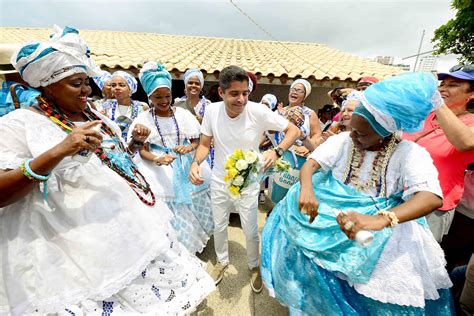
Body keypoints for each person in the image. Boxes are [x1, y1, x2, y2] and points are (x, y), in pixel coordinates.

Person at [0, 25, 214, 315]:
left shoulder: (95, 116)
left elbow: (114, 163)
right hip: (65, 249)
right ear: (47, 85)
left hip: (126, 232)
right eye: (76, 83)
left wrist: (136, 145)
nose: (87, 89)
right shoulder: (18, 124)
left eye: (87, 81)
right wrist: (58, 151)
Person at [261, 72, 453, 315]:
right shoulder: (343, 140)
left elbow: (431, 196)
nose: (353, 136)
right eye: (352, 130)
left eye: (361, 134)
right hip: (328, 214)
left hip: (379, 227)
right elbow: (311, 164)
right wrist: (306, 189)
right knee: (311, 272)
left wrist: (380, 219)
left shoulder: (410, 153)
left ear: (385, 132)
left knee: (363, 290)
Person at [188, 65, 300, 293]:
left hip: (249, 182)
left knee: (250, 229)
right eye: (234, 94)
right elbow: (204, 144)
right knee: (219, 226)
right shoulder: (212, 112)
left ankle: (253, 265)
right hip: (219, 180)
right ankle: (221, 262)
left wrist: (277, 151)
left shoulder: (258, 111)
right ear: (221, 92)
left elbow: (293, 131)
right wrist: (195, 163)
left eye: (245, 93)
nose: (241, 99)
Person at [129, 61, 214, 254]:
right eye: (157, 97)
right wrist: (156, 159)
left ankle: (193, 243)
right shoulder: (144, 119)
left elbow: (197, 141)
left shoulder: (183, 115)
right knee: (169, 208)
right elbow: (143, 150)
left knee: (192, 204)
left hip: (183, 166)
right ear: (149, 97)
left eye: (167, 96)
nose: (164, 100)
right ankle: (175, 247)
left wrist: (187, 148)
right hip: (158, 170)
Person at [404, 64, 474, 242]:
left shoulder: (471, 122)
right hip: (397, 197)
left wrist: (438, 102)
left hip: (431, 207)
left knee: (415, 263)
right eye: (442, 84)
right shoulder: (424, 115)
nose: (443, 88)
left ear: (471, 95)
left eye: (453, 84)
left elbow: (466, 142)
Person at [102, 70, 148, 139]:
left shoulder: (142, 107)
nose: (117, 88)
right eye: (113, 85)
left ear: (130, 89)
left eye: (121, 85)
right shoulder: (106, 107)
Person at [286, 78, 322, 157]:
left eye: (299, 90)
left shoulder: (309, 113)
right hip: (281, 152)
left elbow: (317, 133)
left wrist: (307, 147)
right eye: (293, 89)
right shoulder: (280, 112)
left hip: (300, 154)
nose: (295, 92)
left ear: (304, 97)